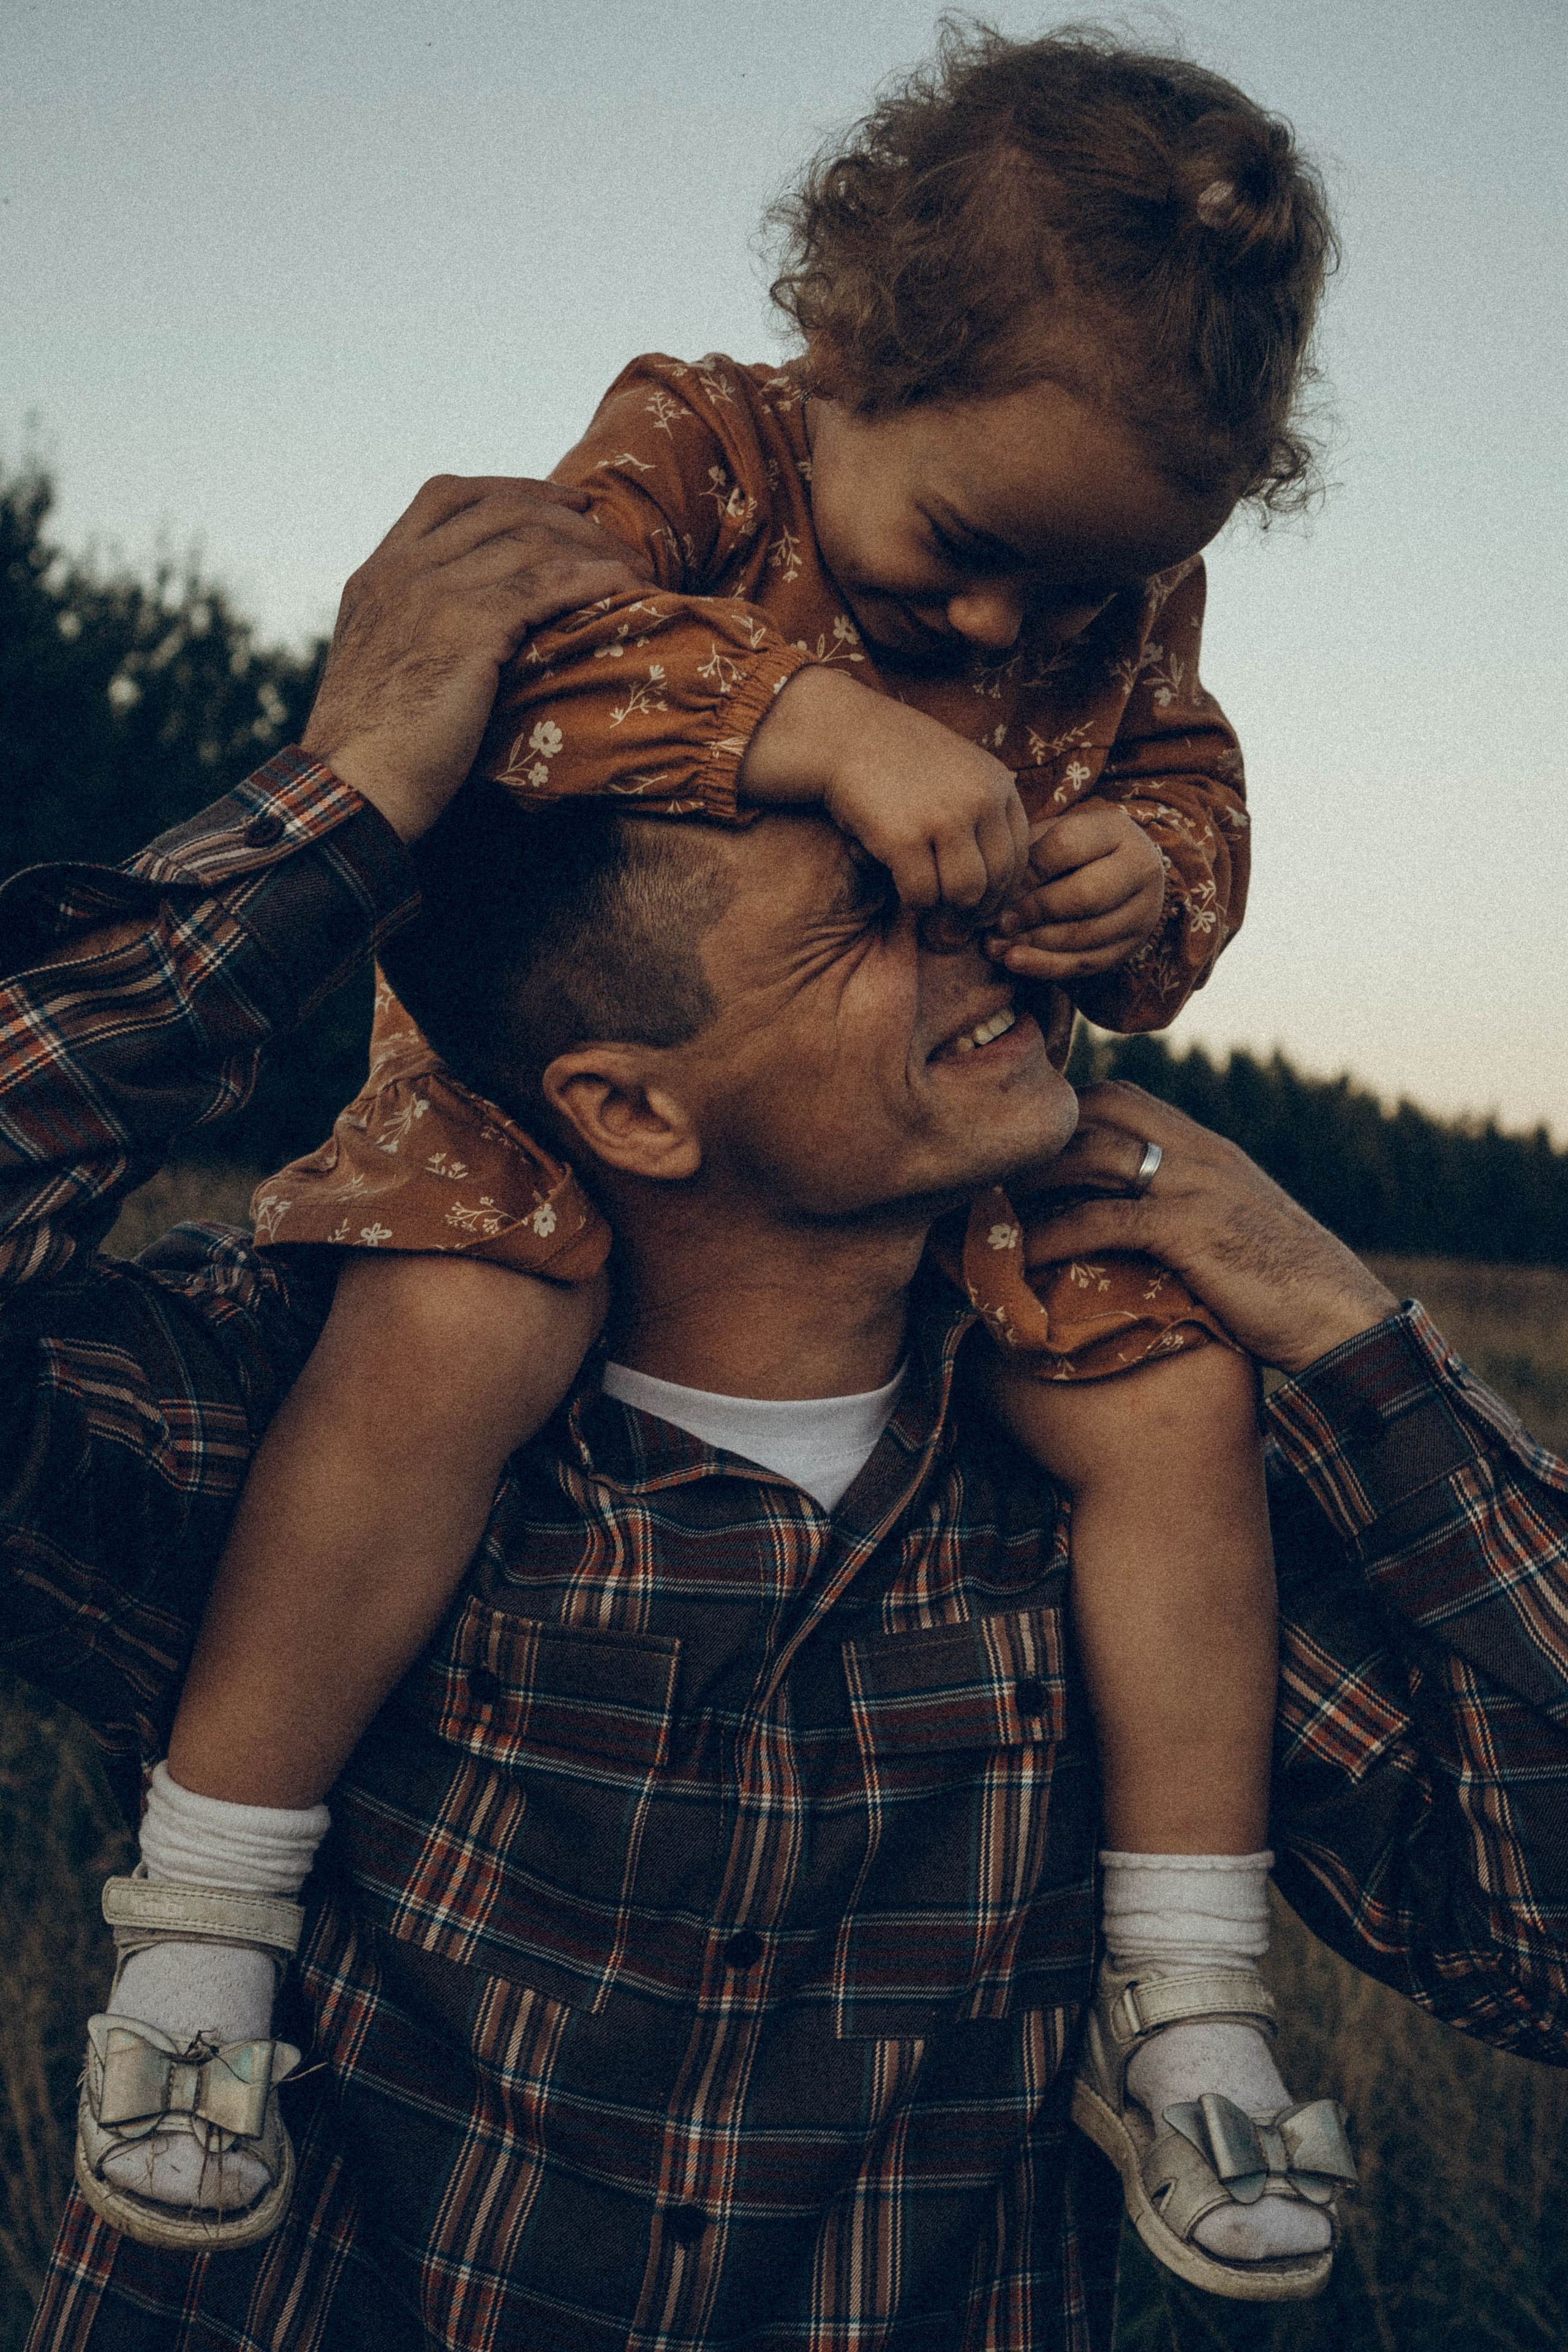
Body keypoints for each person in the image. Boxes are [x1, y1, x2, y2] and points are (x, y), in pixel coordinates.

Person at [4, 484, 1567, 2352]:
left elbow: (1535, 1943)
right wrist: (334, 814)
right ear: (633, 1107)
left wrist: (1356, 1338)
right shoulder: (307, 1426)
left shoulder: (1139, 1482)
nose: (991, 923)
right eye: (868, 915)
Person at [97, 29, 1344, 2283]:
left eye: (1075, 602)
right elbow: (531, 660)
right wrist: (808, 714)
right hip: (525, 1102)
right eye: (968, 559)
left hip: (918, 1151)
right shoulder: (705, 437)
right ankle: (204, 1922)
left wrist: (1151, 882)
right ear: (850, 352)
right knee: (460, 1327)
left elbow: (1195, 772)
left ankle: (1184, 1985)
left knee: (1163, 1387)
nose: (1006, 637)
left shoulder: (1107, 582)